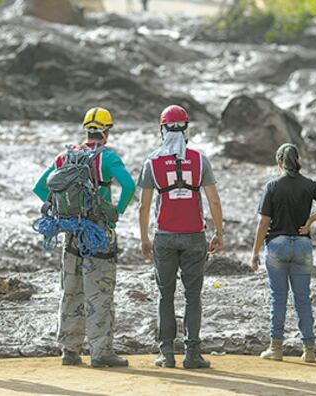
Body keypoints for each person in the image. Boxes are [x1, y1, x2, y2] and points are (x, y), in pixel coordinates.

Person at [33, 107, 136, 368]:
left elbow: (39, 186)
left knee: (71, 291)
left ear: (85, 129)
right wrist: (116, 213)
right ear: (107, 131)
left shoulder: (65, 156)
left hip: (71, 234)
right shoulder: (108, 159)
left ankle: (70, 350)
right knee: (100, 293)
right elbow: (129, 186)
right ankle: (101, 353)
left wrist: (59, 211)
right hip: (99, 234)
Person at [138, 105, 223, 369]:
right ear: (186, 129)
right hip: (194, 236)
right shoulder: (200, 160)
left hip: (164, 236)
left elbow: (143, 205)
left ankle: (166, 354)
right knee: (192, 296)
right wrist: (220, 232)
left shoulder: (152, 162)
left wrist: (144, 238)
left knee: (166, 295)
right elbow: (213, 201)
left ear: (162, 129)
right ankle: (193, 354)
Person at [249, 143, 316, 363]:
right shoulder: (309, 185)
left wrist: (255, 252)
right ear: (298, 160)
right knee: (302, 299)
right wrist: (311, 220)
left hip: (277, 245)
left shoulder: (272, 186)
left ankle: (275, 348)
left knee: (278, 298)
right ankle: (309, 349)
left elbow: (263, 222)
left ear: (279, 162)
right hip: (302, 245)